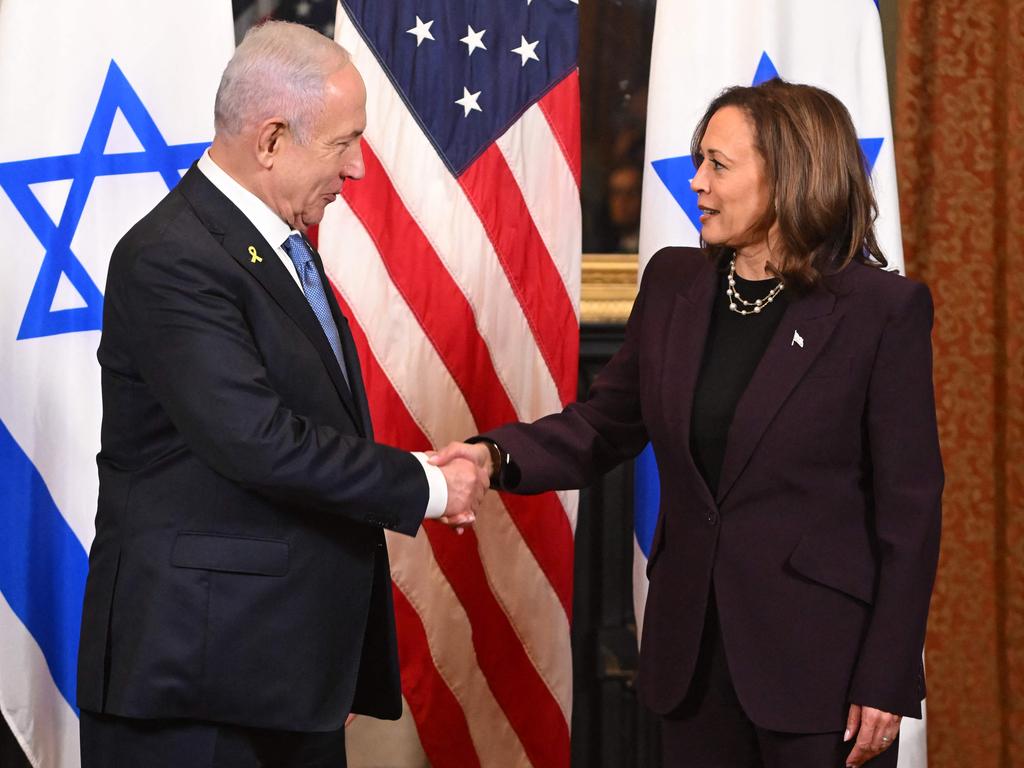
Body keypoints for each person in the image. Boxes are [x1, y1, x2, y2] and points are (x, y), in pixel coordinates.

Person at [433, 79, 943, 768]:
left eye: (718, 165)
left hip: (822, 672)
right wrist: (492, 458)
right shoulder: (676, 283)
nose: (696, 182)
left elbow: (909, 511)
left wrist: (887, 675)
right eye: (698, 161)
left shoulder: (881, 311)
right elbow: (604, 425)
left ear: (789, 173)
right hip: (693, 659)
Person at [77, 21, 484, 768]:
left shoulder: (271, 244)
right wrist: (425, 485)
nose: (358, 168)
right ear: (270, 140)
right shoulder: (172, 257)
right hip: (196, 686)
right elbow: (258, 441)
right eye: (343, 143)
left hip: (277, 671)